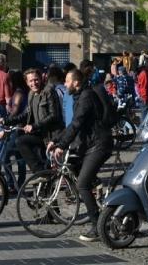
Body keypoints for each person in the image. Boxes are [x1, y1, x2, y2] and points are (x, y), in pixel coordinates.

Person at [49, 67, 113, 243]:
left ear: (76, 83)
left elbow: (77, 123)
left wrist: (62, 145)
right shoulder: (79, 96)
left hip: (99, 144)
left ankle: (98, 226)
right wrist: (56, 140)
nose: (65, 84)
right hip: (90, 144)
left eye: (68, 81)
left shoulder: (86, 97)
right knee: (81, 175)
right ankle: (96, 186)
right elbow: (73, 125)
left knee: (82, 185)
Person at [4, 68, 64, 175]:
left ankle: (41, 173)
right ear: (26, 82)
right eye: (30, 81)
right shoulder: (31, 94)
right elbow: (26, 114)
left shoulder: (48, 91)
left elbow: (54, 115)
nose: (34, 83)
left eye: (36, 80)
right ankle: (41, 173)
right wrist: (7, 121)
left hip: (51, 135)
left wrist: (34, 126)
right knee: (20, 141)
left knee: (21, 141)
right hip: (40, 134)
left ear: (41, 79)